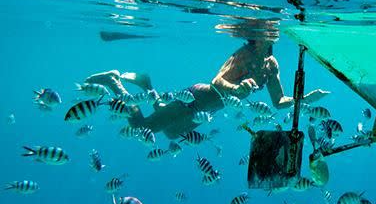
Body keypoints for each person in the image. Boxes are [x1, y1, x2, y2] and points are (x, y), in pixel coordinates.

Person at [85, 38, 329, 139]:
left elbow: (278, 102)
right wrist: (236, 88)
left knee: (170, 134)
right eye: (268, 35)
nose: (272, 37)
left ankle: (147, 85)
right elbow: (217, 82)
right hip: (198, 98)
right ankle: (113, 81)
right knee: (141, 128)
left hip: (210, 109)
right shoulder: (245, 55)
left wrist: (305, 99)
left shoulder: (270, 64)